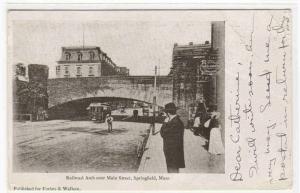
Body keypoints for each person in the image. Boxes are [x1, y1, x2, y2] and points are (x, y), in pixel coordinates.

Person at [160, 102, 185, 173]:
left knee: (172, 171)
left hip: (172, 152)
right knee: (174, 170)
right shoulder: (176, 121)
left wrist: (165, 123)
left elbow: (163, 133)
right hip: (174, 151)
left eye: (166, 112)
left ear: (168, 113)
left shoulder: (174, 122)